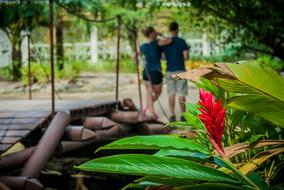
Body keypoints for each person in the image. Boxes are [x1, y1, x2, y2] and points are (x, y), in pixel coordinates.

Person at [139, 26, 172, 119]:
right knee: (158, 93)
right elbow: (169, 40)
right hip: (156, 72)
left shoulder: (143, 46)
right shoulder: (157, 42)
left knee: (149, 92)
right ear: (151, 33)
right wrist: (160, 34)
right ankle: (152, 113)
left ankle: (148, 110)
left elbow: (134, 57)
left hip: (146, 72)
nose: (156, 33)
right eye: (155, 31)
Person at [161, 22, 190, 122]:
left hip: (169, 71)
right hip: (180, 70)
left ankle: (172, 116)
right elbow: (186, 57)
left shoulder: (165, 43)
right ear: (177, 29)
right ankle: (183, 116)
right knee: (181, 93)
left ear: (170, 30)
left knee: (171, 93)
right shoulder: (182, 41)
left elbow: (163, 57)